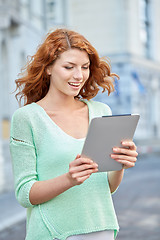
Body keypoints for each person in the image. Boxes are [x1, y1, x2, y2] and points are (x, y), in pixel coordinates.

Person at [10, 28, 138, 240]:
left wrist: (120, 164)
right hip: (53, 233)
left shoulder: (101, 112)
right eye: (69, 67)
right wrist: (69, 179)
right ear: (49, 68)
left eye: (85, 67)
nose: (79, 76)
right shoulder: (28, 118)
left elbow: (108, 187)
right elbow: (25, 194)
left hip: (102, 229)